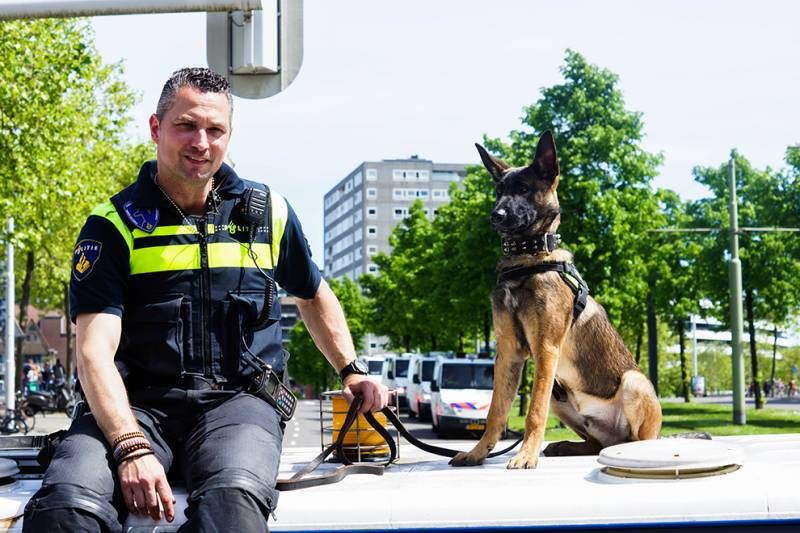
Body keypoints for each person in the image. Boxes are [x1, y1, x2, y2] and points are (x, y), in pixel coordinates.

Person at [23, 68, 387, 532]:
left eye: (215, 130)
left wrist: (350, 370)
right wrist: (131, 445)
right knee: (65, 506)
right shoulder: (113, 224)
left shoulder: (268, 213)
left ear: (229, 135)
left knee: (231, 504)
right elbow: (94, 354)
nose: (201, 142)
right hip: (136, 407)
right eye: (186, 126)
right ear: (156, 128)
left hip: (238, 406)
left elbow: (313, 294)